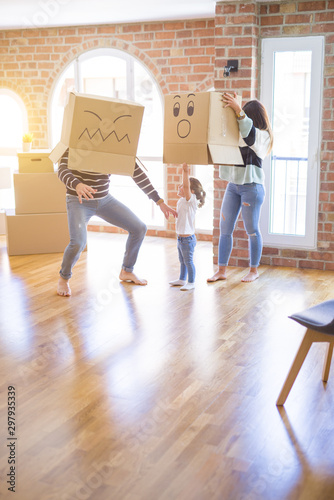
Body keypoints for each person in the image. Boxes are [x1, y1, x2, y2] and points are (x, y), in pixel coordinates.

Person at [57, 150, 177, 296]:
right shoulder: (76, 141)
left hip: (104, 200)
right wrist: (77, 185)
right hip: (78, 200)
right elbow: (62, 169)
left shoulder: (114, 145)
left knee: (139, 228)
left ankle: (127, 271)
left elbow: (136, 173)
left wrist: (159, 202)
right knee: (78, 243)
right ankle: (64, 278)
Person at [207, 92, 273, 283]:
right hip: (234, 186)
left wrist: (237, 110)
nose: (239, 119)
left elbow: (249, 135)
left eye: (243, 115)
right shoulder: (241, 133)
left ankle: (254, 270)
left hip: (252, 188)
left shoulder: (262, 137)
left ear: (253, 119)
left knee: (252, 229)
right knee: (225, 228)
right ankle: (221, 270)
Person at [169, 163, 206, 291]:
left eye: (183, 186)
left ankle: (191, 282)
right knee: (182, 260)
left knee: (188, 261)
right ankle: (182, 279)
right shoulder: (182, 201)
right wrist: (175, 213)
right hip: (180, 238)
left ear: (192, 191)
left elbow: (185, 185)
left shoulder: (192, 201)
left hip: (188, 239)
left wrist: (185, 171)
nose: (180, 187)